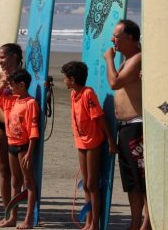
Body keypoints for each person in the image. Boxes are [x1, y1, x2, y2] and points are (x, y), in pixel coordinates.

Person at [103, 19, 149, 229]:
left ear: (130, 37)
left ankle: (146, 223)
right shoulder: (127, 60)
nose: (113, 40)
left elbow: (115, 82)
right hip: (125, 126)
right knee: (131, 181)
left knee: (142, 179)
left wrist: (108, 60)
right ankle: (134, 221)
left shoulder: (137, 58)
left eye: (117, 36)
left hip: (137, 124)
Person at [62, 61, 117, 230]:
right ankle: (88, 221)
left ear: (72, 79)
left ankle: (94, 224)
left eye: (65, 78)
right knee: (86, 183)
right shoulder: (74, 94)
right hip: (81, 142)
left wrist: (110, 141)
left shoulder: (88, 93)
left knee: (93, 184)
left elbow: (99, 118)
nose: (63, 81)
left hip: (93, 141)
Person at [0, 69, 40, 229]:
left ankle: (28, 219)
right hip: (11, 144)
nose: (10, 88)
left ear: (22, 85)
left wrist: (30, 153)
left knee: (28, 182)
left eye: (12, 85)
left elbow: (34, 130)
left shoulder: (30, 103)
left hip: (23, 146)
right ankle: (12, 217)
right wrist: (5, 83)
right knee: (15, 181)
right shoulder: (13, 100)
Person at [0, 43, 24, 222]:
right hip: (0, 127)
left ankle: (17, 213)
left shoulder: (24, 76)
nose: (0, 61)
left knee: (19, 174)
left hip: (19, 129)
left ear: (14, 56)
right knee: (4, 171)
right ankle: (7, 212)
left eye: (3, 57)